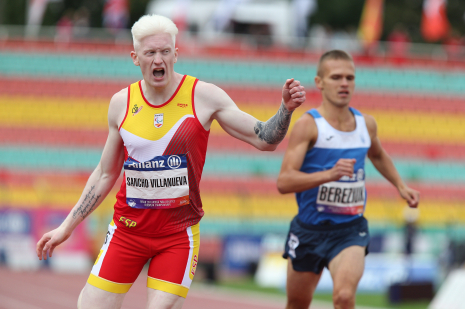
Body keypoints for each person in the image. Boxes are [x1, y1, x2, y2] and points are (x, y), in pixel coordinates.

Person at [36, 14, 305, 309]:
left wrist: (286, 109)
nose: (158, 60)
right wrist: (67, 227)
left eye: (165, 51)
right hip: (127, 231)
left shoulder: (203, 96)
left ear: (176, 53)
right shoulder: (121, 104)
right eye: (150, 53)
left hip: (177, 237)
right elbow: (105, 173)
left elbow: (265, 139)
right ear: (135, 57)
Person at [277, 50, 419, 309]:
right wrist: (329, 175)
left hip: (350, 229)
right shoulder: (308, 126)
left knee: (344, 298)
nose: (344, 83)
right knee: (297, 303)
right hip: (309, 230)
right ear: (319, 82)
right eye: (336, 77)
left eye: (350, 78)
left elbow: (377, 155)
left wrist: (400, 185)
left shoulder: (367, 125)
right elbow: (284, 182)